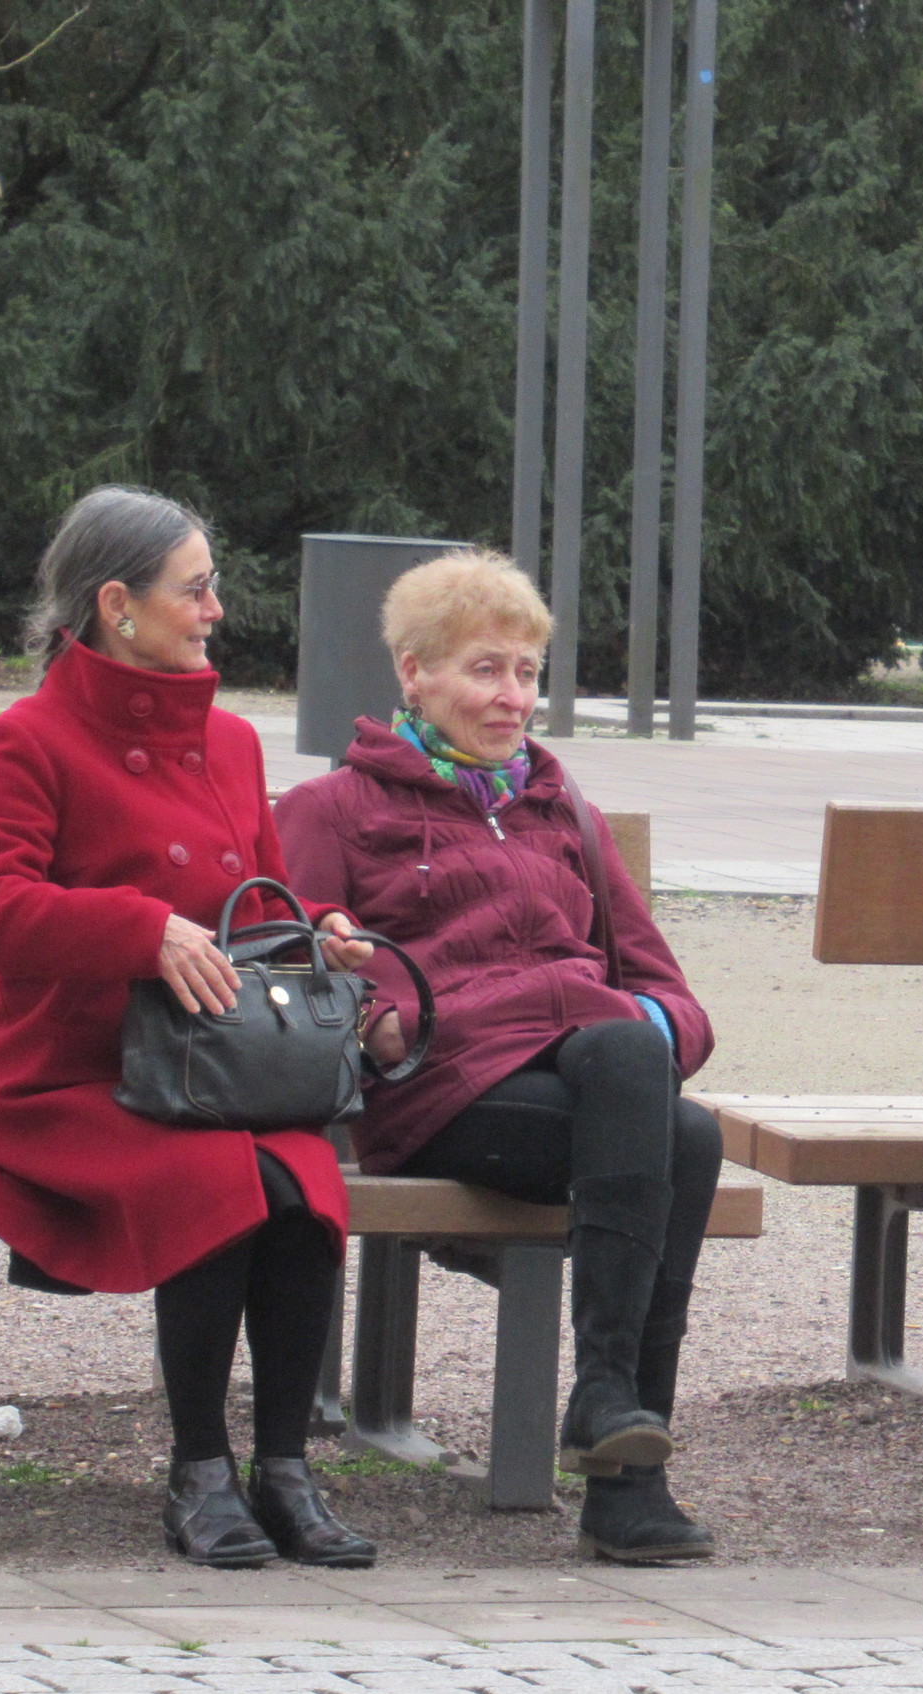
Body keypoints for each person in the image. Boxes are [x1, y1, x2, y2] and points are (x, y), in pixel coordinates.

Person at [0, 487, 379, 1570]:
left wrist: (319, 930)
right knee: (219, 1184)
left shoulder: (228, 741)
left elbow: (262, 900)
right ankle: (200, 1472)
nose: (215, 611)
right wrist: (140, 930)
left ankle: (284, 1470)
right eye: (195, 590)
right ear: (117, 606)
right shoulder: (25, 740)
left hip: (218, 1069)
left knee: (305, 1187)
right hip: (72, 1077)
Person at [277, 550, 722, 1565]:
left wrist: (649, 1032)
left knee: (684, 1125)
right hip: (440, 1090)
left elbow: (674, 997)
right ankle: (617, 1451)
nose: (512, 697)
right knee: (651, 1094)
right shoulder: (335, 808)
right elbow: (291, 962)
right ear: (414, 673)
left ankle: (617, 1439)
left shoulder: (566, 814)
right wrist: (376, 1011)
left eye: (526, 673)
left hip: (588, 1084)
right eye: (485, 670)